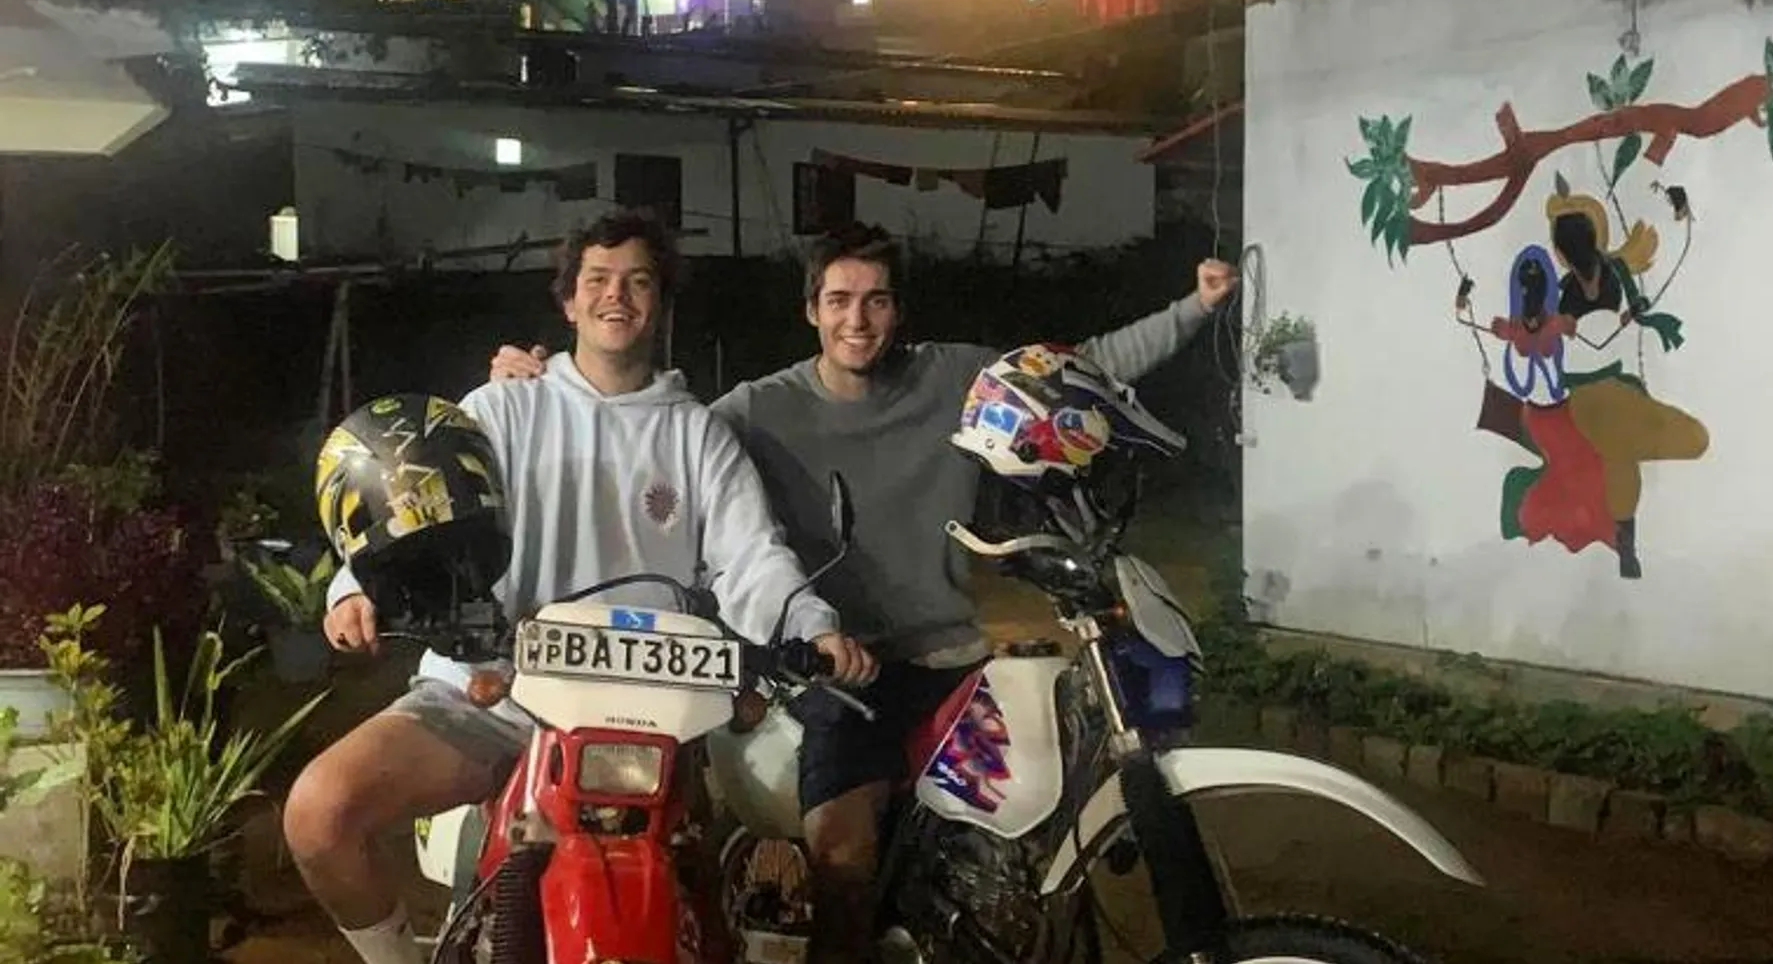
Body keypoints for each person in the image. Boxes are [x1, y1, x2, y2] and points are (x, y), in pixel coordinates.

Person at [486, 221, 1237, 963]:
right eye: (839, 300)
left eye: (876, 300)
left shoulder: (954, 380)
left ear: (897, 310)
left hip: (952, 656)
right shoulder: (758, 410)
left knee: (1036, 831)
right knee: (842, 858)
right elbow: (649, 440)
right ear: (812, 310)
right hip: (840, 672)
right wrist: (549, 383)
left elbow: (1080, 371)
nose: (857, 319)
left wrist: (1196, 308)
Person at [286, 211, 877, 964]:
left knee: (711, 903)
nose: (616, 296)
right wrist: (359, 588)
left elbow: (751, 557)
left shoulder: (697, 434)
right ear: (568, 301)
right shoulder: (503, 407)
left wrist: (811, 628)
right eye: (597, 279)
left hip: (651, 719)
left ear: (661, 301)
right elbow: (420, 502)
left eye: (638, 281)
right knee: (320, 814)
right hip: (499, 693)